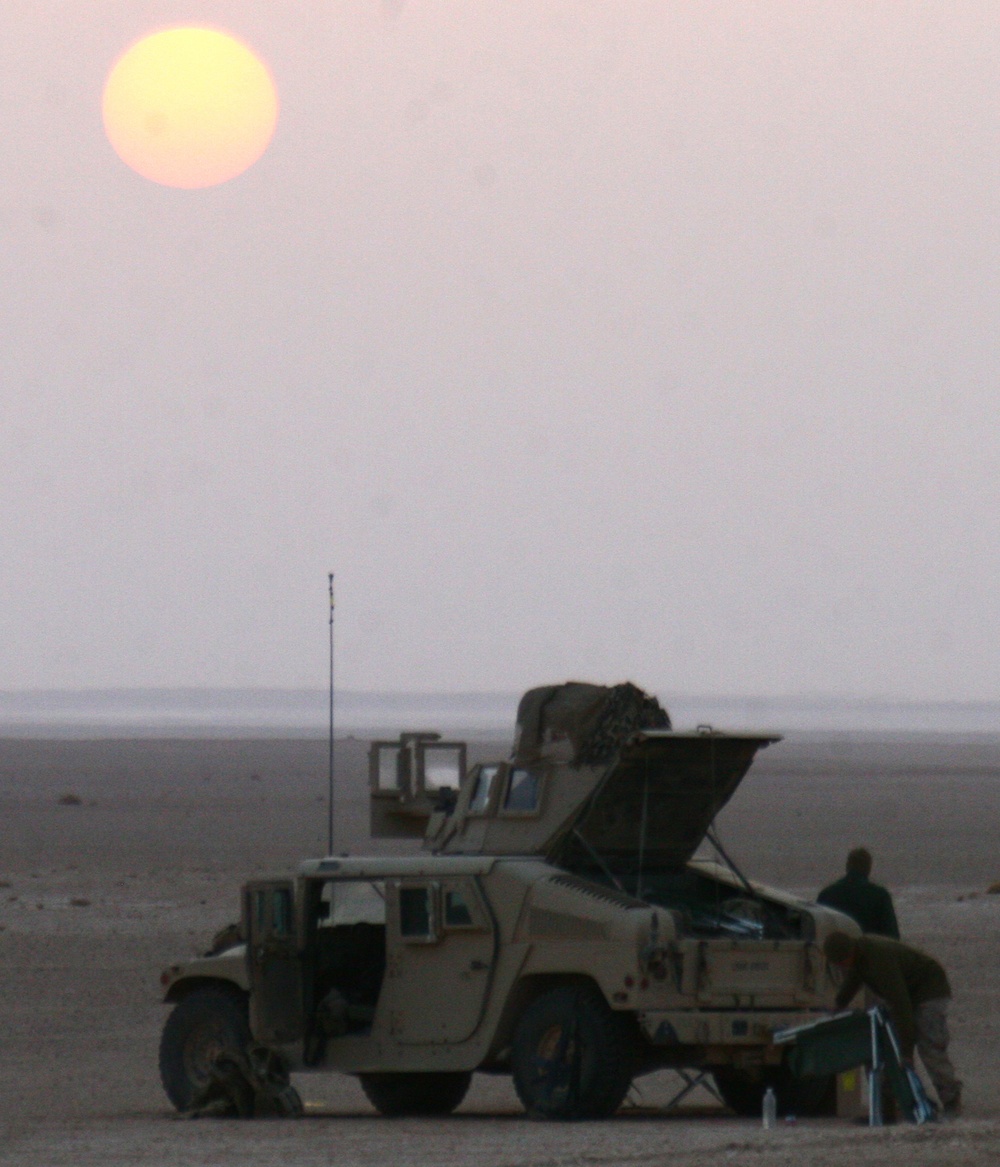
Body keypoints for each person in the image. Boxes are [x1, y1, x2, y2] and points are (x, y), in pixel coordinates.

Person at [824, 931, 962, 1117]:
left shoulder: (878, 960)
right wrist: (839, 1004)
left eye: (841, 963)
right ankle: (889, 1105)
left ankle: (951, 1099)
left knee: (930, 1047)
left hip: (929, 989)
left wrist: (905, 1051)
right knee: (888, 1047)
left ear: (849, 955)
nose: (841, 968)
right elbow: (854, 979)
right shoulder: (860, 956)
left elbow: (900, 1005)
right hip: (908, 992)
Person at [818, 847, 900, 938]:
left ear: (847, 866)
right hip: (868, 950)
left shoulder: (826, 894)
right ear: (868, 868)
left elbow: (818, 930)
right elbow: (892, 936)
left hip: (837, 950)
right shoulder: (880, 895)